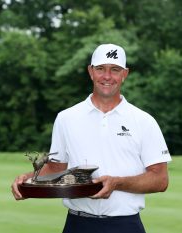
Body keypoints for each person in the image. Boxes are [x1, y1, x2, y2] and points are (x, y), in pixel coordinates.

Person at [11, 43, 172, 233]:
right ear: (90, 71)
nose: (107, 76)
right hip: (78, 224)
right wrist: (28, 180)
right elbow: (56, 168)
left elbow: (160, 180)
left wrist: (117, 183)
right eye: (100, 69)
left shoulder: (144, 121)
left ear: (125, 74)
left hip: (125, 225)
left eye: (115, 69)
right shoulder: (66, 118)